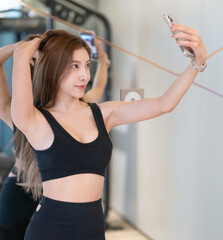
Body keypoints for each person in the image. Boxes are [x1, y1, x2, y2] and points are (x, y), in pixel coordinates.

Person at [11, 24, 207, 240]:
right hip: (50, 229)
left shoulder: (103, 114)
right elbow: (21, 54)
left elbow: (163, 104)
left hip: (93, 227)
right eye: (74, 66)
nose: (84, 75)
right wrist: (42, 42)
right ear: (53, 67)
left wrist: (197, 63)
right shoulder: (35, 120)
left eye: (87, 65)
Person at [0, 33, 110, 240]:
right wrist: (21, 48)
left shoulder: (20, 112)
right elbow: (99, 88)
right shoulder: (22, 114)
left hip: (49, 202)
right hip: (23, 197)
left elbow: (98, 89)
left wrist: (20, 48)